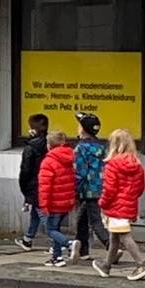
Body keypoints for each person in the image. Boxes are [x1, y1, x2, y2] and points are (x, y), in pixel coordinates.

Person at [93, 129, 145, 281]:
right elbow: (140, 188)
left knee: (124, 236)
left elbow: (109, 189)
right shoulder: (137, 165)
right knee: (114, 237)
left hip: (114, 207)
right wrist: (130, 198)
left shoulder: (112, 165)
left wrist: (102, 203)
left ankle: (141, 264)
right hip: (128, 205)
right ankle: (106, 265)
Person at [73, 113, 110, 260]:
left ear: (82, 129)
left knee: (95, 220)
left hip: (87, 189)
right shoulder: (101, 146)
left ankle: (111, 245)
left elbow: (79, 172)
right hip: (101, 186)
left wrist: (75, 189)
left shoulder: (81, 148)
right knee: (82, 218)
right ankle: (83, 250)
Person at [38, 131, 77, 267]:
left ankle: (69, 244)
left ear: (49, 145)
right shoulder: (69, 159)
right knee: (56, 229)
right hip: (66, 201)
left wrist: (43, 205)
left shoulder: (48, 162)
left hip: (53, 202)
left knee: (50, 230)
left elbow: (44, 187)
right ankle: (57, 257)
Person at [15, 114, 49, 251]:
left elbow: (25, 170)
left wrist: (24, 188)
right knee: (35, 212)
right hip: (45, 182)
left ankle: (59, 242)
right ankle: (27, 239)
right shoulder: (48, 144)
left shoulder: (30, 148)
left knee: (43, 214)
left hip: (34, 184)